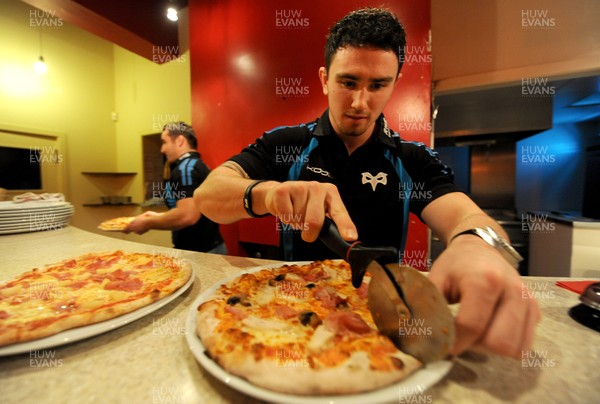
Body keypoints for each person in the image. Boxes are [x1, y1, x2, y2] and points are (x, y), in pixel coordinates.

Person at [194, 8, 540, 358]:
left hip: (382, 322)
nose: (361, 102)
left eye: (377, 85)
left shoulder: (413, 158)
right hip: (285, 316)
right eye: (348, 82)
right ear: (324, 79)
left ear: (395, 83)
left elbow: (468, 219)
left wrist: (477, 247)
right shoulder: (286, 144)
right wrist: (268, 194)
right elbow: (207, 196)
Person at [126, 122, 226, 254]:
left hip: (201, 253)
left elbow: (188, 215)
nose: (162, 149)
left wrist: (147, 223)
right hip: (209, 248)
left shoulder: (186, 169)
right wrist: (158, 216)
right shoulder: (195, 165)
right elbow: (191, 209)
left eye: (164, 142)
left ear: (180, 141)